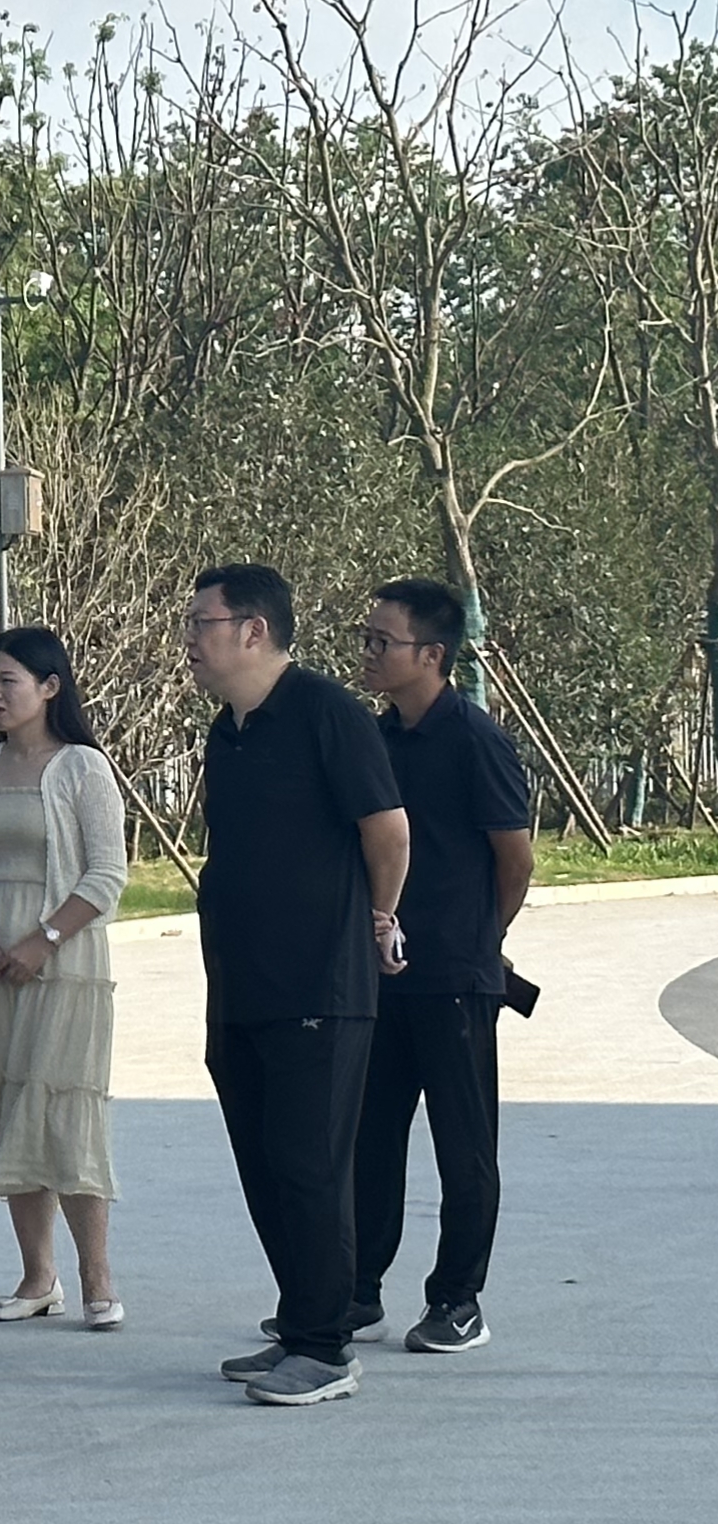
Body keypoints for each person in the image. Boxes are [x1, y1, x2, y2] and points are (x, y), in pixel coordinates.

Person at [187, 563, 409, 1409]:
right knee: (266, 1165)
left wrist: (376, 918)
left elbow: (387, 831)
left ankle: (324, 1348)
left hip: (318, 982)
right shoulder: (228, 730)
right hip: (241, 983)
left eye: (201, 624)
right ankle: (298, 1320)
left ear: (253, 631)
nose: (189, 642)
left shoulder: (327, 713)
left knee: (310, 1166)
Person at [354, 578, 533, 1356]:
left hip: (456, 979)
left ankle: (457, 1300)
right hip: (380, 977)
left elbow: (514, 859)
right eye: (364, 639)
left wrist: (479, 938)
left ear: (431, 655)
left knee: (463, 1148)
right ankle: (355, 1291)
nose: (367, 653)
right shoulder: (374, 738)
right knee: (367, 1141)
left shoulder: (473, 740)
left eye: (381, 641)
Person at [0, 626, 129, 1331]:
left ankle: (96, 1277)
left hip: (64, 960)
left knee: (62, 1110)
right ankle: (36, 1276)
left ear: (50, 688)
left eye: (7, 681)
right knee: (8, 1104)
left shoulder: (82, 767)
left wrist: (44, 939)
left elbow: (106, 874)